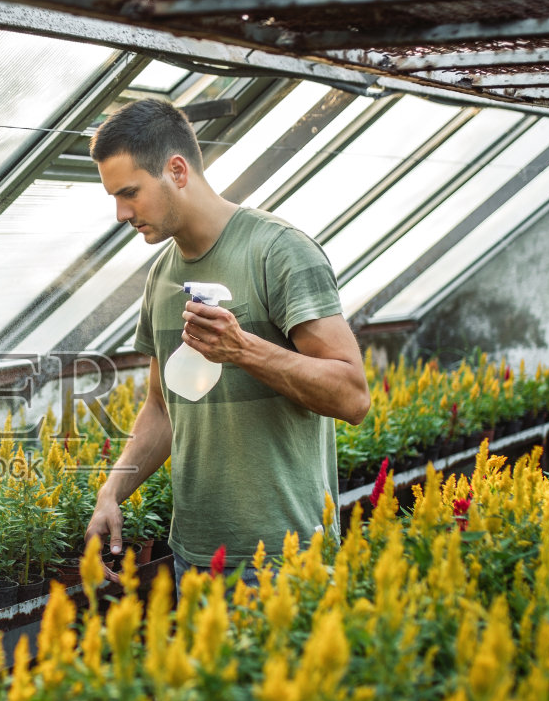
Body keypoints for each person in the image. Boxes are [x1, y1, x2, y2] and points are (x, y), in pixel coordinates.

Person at [84, 98, 371, 584]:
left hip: (284, 559)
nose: (120, 213)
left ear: (177, 170)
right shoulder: (162, 276)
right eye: (114, 196)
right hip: (192, 555)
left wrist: (243, 350)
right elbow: (161, 407)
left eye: (129, 192)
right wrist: (111, 491)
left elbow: (352, 395)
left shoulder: (279, 251)